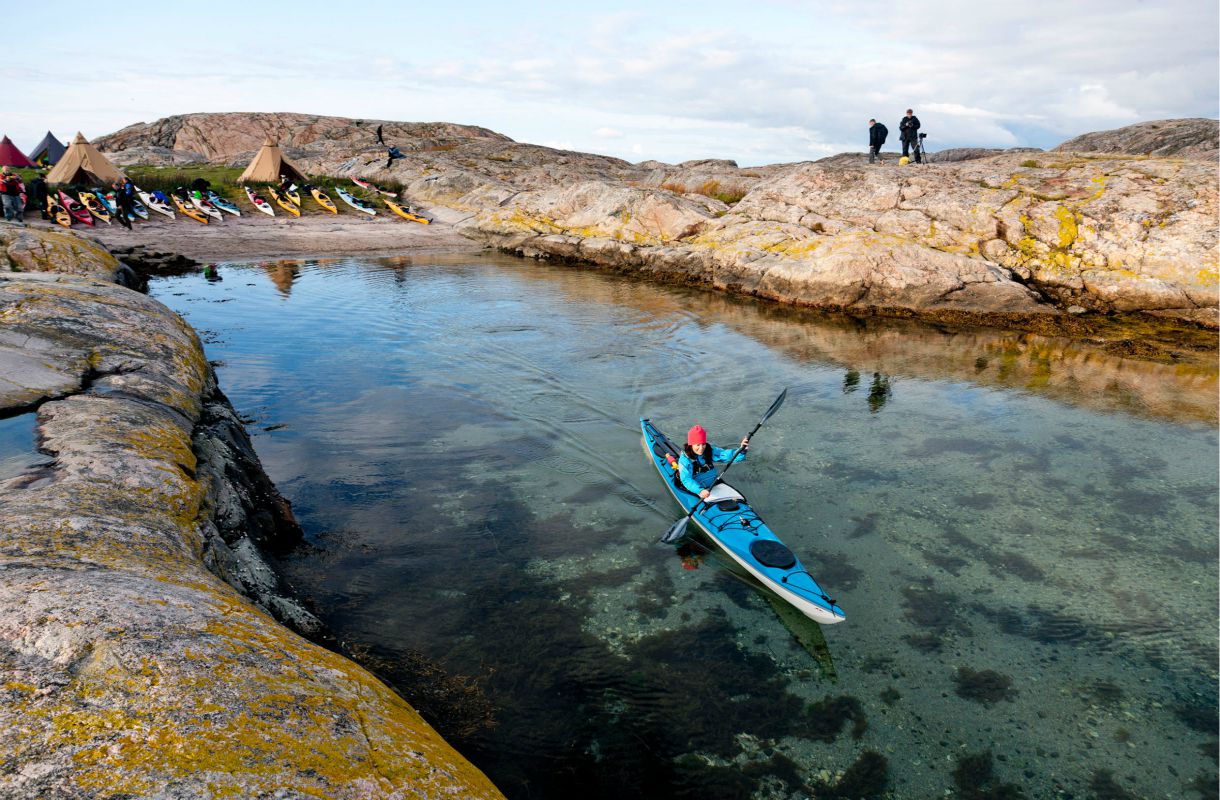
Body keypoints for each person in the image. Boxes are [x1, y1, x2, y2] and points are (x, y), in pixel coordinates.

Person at [676, 425, 748, 500]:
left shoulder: (709, 450)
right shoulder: (685, 460)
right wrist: (700, 491)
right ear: (691, 445)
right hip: (697, 489)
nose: (701, 448)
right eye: (697, 445)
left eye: (703, 444)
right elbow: (686, 479)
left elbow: (727, 455)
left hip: (713, 484)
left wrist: (741, 450)